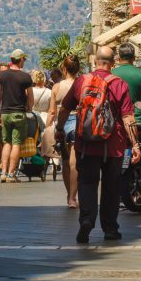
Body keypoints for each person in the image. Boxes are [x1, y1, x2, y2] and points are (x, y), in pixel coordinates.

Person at [57, 46, 141, 244]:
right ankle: (110, 228)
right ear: (113, 63)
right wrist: (135, 144)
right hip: (113, 146)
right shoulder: (119, 84)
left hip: (86, 144)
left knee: (87, 183)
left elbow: (65, 108)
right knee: (111, 187)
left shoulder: (82, 81)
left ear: (95, 61)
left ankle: (87, 220)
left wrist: (59, 129)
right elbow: (128, 117)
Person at [0, 50, 33, 183]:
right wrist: (29, 109)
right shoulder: (25, 77)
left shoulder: (2, 75)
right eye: (24, 59)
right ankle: (11, 174)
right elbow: (30, 98)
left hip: (5, 113)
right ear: (21, 59)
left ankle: (3, 173)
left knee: (7, 143)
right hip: (19, 113)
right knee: (16, 144)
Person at [49, 54, 81, 206]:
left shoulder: (56, 87)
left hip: (62, 124)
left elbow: (52, 111)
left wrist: (49, 128)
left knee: (66, 161)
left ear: (64, 69)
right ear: (78, 69)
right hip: (78, 121)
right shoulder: (82, 84)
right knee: (75, 162)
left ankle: (69, 195)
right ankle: (73, 198)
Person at [114, 42, 141, 114]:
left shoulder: (111, 74)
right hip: (138, 118)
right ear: (134, 58)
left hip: (117, 118)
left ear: (119, 58)